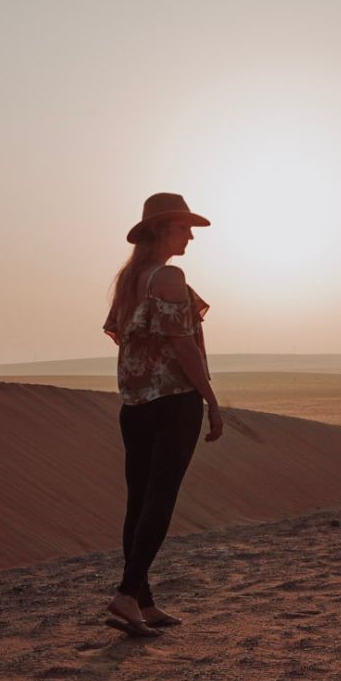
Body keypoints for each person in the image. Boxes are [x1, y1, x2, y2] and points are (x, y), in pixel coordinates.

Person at [102, 192, 223, 637]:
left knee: (140, 500)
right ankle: (128, 594)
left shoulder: (129, 280)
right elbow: (182, 343)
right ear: (159, 230)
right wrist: (211, 399)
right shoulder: (168, 275)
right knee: (160, 498)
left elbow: (127, 338)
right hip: (174, 402)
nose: (190, 235)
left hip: (134, 406)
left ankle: (144, 602)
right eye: (182, 227)